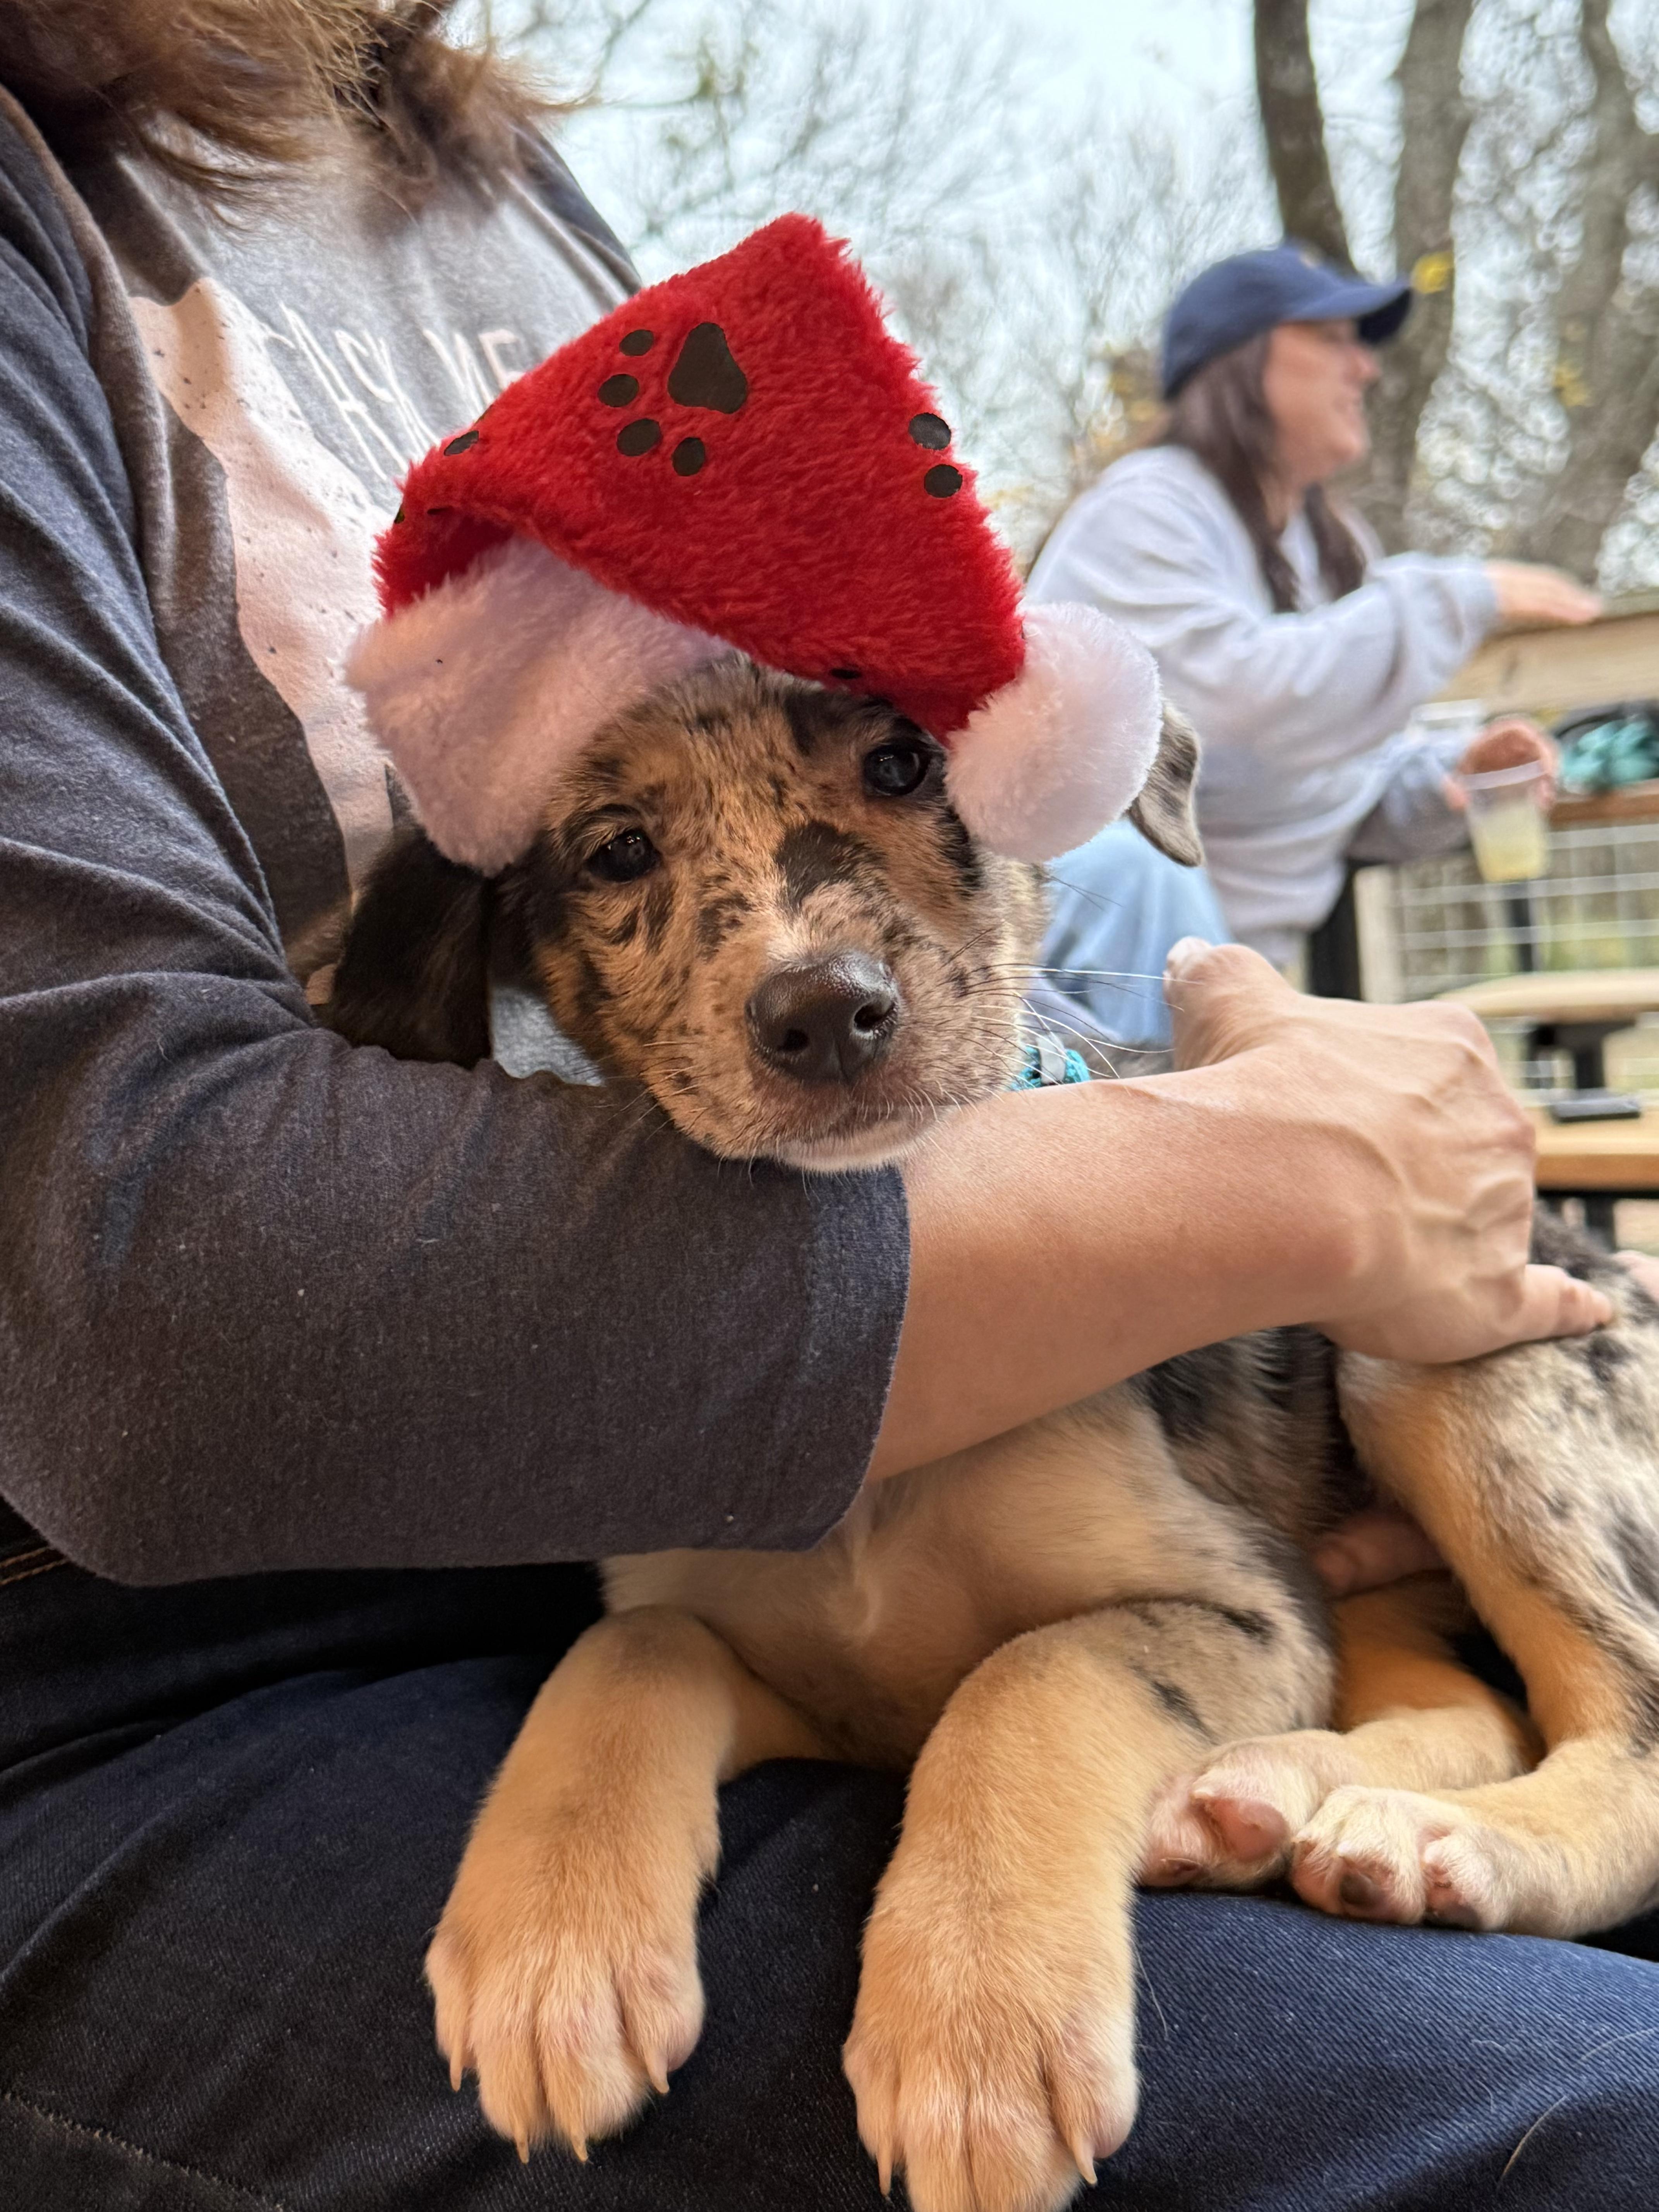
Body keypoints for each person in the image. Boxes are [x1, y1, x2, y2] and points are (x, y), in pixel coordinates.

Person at [0, 11, 1651, 2208]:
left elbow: (1041, 795)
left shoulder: (459, 171)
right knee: (1588, 2132)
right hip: (184, 1671)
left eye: (883, 769)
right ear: (495, 949)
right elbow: (126, 1300)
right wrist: (1231, 1183)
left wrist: (1274, 1071)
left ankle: (1565, 1756)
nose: (804, 963)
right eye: (612, 866)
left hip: (1138, 1497)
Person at [1028, 240, 1601, 1052]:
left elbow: (1326, 783)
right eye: (1334, 339)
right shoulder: (1146, 509)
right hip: (1072, 971)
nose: (1365, 369)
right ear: (1242, 360)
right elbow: (1237, 713)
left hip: (1226, 980)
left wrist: (1448, 775)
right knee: (1132, 869)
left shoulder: (1329, 547)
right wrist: (1456, 596)